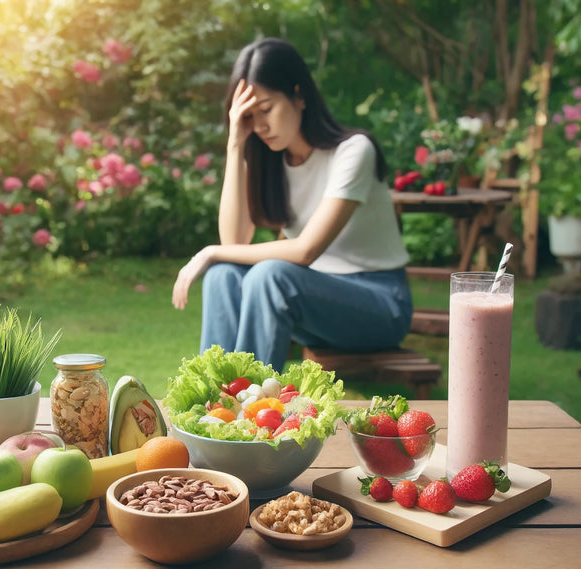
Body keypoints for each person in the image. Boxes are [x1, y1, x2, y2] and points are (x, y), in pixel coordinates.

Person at [172, 37, 411, 371]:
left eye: (267, 109)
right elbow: (234, 242)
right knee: (222, 277)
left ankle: (251, 412)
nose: (260, 126)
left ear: (298, 94)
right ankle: (214, 407)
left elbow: (305, 252)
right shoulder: (267, 160)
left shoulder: (354, 152)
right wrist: (235, 144)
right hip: (309, 298)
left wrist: (208, 252)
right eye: (249, 116)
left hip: (379, 305)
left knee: (268, 275)